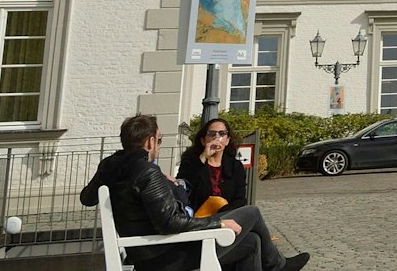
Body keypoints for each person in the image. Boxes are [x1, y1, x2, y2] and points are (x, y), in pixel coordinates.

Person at [80, 113, 308, 271]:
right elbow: (171, 223)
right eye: (159, 140)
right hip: (165, 256)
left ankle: (276, 265)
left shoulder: (110, 165)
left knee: (252, 242)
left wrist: (168, 183)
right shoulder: (147, 171)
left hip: (150, 250)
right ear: (150, 142)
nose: (158, 146)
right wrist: (218, 225)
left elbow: (87, 197)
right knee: (253, 213)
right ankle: (278, 266)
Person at [176, 117, 249, 217]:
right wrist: (203, 157)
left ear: (227, 140)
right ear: (203, 140)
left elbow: (240, 199)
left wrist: (222, 214)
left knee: (253, 217)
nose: (216, 137)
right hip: (199, 218)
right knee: (254, 214)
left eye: (222, 133)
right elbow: (183, 187)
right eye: (211, 134)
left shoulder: (235, 166)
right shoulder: (191, 162)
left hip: (228, 216)